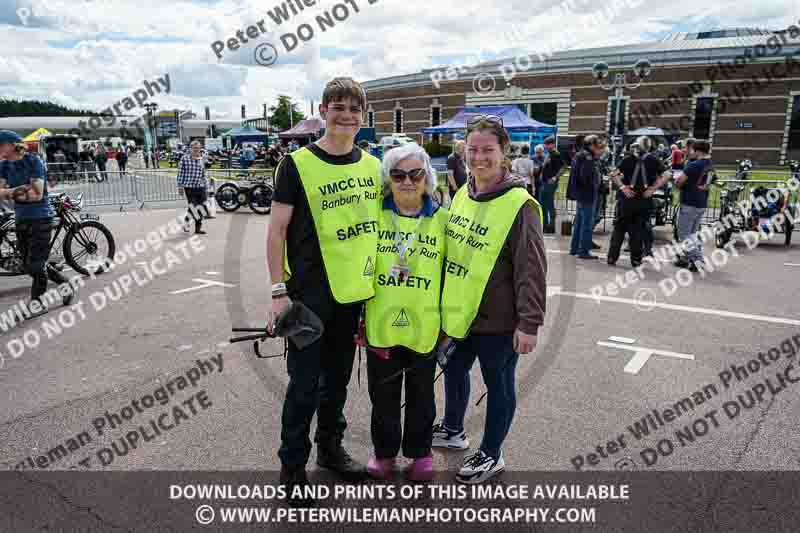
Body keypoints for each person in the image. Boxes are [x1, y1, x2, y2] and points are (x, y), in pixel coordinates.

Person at [267, 77, 382, 506]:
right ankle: (292, 468)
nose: (346, 115)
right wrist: (278, 292)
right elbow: (277, 230)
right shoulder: (295, 164)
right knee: (303, 384)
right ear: (323, 110)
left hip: (353, 295)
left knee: (336, 382)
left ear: (363, 115)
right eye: (338, 106)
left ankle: (330, 450)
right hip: (306, 296)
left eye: (354, 108)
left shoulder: (374, 166)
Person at [433, 115, 547, 484]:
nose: (479, 157)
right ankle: (453, 430)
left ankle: (492, 453)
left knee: (498, 386)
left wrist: (529, 323)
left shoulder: (520, 204)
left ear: (504, 152)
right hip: (460, 311)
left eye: (488, 150)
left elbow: (531, 269)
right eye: (473, 149)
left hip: (499, 319)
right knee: (453, 369)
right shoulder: (464, 192)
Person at [361, 143, 447, 483]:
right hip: (381, 324)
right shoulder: (374, 215)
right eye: (398, 175)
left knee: (422, 395)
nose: (407, 181)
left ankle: (420, 454)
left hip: (424, 325)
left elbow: (454, 273)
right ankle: (384, 453)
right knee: (382, 395)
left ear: (427, 178)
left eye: (415, 174)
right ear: (388, 179)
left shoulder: (443, 220)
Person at [0, 130, 74, 318]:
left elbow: (37, 194)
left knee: (35, 265)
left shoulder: (33, 161)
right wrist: (18, 190)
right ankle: (64, 283)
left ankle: (37, 303)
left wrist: (9, 192)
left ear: (11, 144)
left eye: (0, 144)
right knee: (29, 265)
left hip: (40, 218)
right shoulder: (4, 166)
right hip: (21, 219)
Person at [607, 136, 672, 267]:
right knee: (637, 231)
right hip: (643, 199)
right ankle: (636, 259)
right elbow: (667, 174)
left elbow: (613, 174)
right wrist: (653, 188)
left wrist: (622, 187)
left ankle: (612, 257)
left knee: (619, 229)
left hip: (627, 199)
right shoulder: (653, 160)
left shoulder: (627, 159)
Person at [674, 140, 714, 272]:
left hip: (690, 202)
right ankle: (689, 259)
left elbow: (680, 182)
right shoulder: (710, 165)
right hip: (701, 202)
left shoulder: (694, 165)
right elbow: (711, 182)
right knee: (692, 234)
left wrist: (677, 183)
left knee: (684, 234)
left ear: (697, 151)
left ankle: (698, 259)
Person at [567, 135, 606, 259]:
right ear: (591, 145)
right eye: (597, 145)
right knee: (587, 224)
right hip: (587, 194)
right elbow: (586, 177)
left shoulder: (581, 155)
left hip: (581, 194)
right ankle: (583, 251)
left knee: (579, 222)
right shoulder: (587, 158)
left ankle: (574, 248)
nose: (599, 148)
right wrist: (596, 185)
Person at [176, 141, 209, 235]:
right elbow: (180, 173)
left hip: (200, 187)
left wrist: (206, 187)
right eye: (194, 148)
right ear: (190, 149)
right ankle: (186, 223)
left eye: (198, 148)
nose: (196, 150)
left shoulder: (202, 159)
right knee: (193, 207)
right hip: (189, 187)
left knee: (201, 207)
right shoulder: (184, 159)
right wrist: (180, 186)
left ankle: (197, 228)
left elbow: (204, 174)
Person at [539, 136, 564, 234]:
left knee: (549, 204)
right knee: (544, 204)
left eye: (547, 144)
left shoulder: (556, 154)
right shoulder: (549, 154)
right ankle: (545, 225)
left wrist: (555, 177)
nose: (545, 146)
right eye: (545, 144)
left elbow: (563, 167)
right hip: (545, 182)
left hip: (550, 183)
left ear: (552, 144)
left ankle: (551, 225)